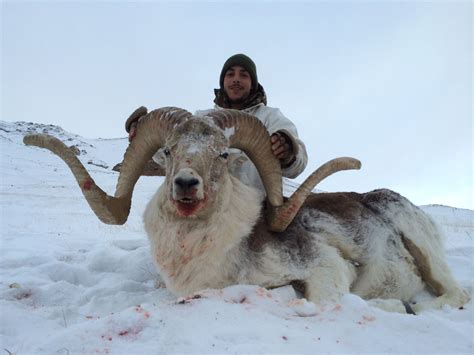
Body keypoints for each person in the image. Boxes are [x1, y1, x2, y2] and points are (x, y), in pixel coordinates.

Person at [126, 53, 308, 191]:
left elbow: (297, 164)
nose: (236, 79)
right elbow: (172, 157)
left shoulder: (270, 118)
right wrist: (143, 135)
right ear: (223, 82)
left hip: (253, 214)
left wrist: (288, 150)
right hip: (206, 210)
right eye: (230, 74)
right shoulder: (200, 119)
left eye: (244, 75)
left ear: (253, 83)